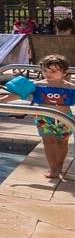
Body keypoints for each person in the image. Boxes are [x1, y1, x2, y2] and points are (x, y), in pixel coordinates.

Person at [30, 54, 75, 182]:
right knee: (48, 141)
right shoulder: (38, 85)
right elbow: (21, 93)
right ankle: (53, 167)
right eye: (45, 70)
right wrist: (4, 99)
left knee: (62, 142)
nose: (48, 74)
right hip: (44, 117)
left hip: (65, 118)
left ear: (65, 72)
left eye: (54, 71)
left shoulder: (70, 87)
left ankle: (59, 165)